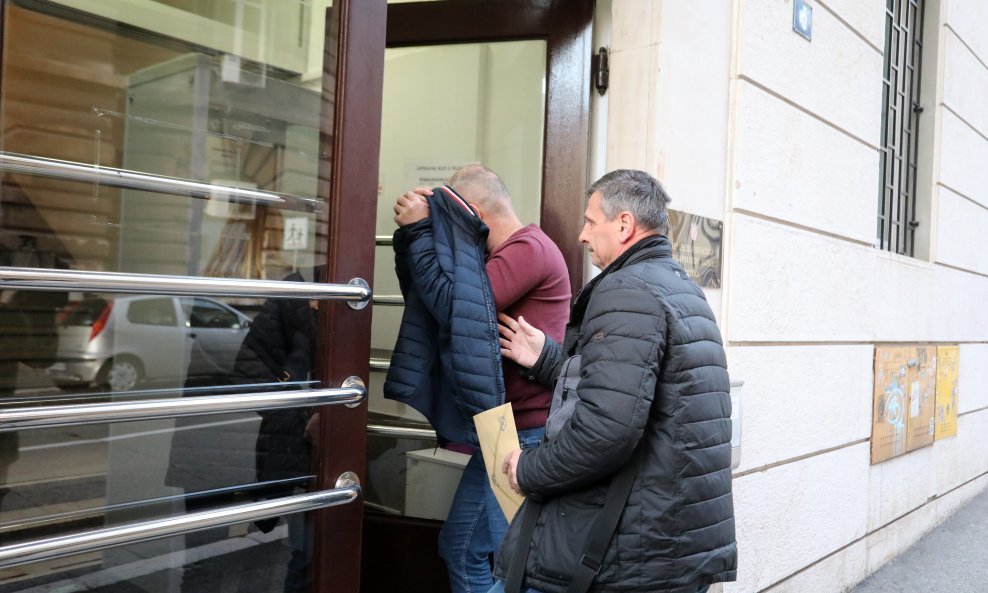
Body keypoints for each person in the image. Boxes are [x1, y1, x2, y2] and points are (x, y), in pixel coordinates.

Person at [492, 169, 737, 593]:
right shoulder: (678, 286)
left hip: (633, 550)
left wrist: (528, 470)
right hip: (672, 544)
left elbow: (606, 430)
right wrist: (549, 361)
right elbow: (639, 391)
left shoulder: (627, 290)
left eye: (590, 222)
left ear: (624, 225)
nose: (582, 235)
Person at [387, 165, 571, 593]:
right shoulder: (502, 255)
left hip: (526, 437)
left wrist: (420, 231)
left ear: (475, 214)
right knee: (461, 548)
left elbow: (456, 310)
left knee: (513, 567)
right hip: (502, 432)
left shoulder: (528, 250)